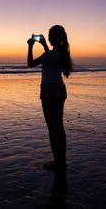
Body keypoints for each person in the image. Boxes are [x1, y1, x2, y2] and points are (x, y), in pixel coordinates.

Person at [27, 25, 72, 179]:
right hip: (59, 89)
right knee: (58, 126)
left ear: (54, 37)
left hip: (49, 91)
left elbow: (30, 63)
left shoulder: (49, 55)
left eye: (49, 35)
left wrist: (30, 46)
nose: (48, 37)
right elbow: (50, 57)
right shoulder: (61, 53)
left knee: (52, 128)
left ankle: (57, 162)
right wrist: (45, 45)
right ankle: (61, 161)